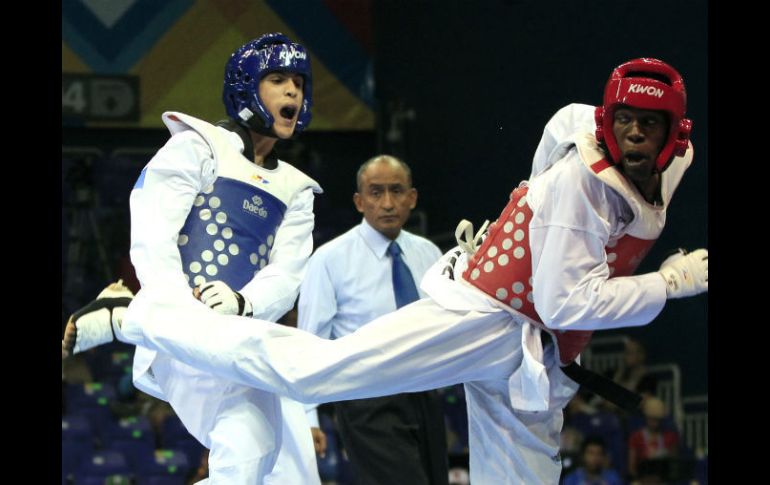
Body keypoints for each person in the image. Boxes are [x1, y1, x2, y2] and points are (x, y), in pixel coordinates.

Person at [83, 57, 708, 483]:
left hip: (533, 352)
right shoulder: (584, 188)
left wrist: (531, 185)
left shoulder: (664, 160)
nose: (631, 135)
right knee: (308, 372)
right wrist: (669, 283)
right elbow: (570, 301)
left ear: (673, 132)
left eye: (646, 124)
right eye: (622, 119)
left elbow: (562, 121)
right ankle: (139, 317)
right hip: (487, 315)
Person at [63, 33, 323, 484]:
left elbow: (287, 275)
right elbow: (152, 234)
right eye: (277, 79)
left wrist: (242, 303)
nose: (292, 92)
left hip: (246, 335)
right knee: (249, 450)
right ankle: (131, 315)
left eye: (298, 82)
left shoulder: (297, 190)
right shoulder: (197, 145)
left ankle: (125, 316)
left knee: (292, 475)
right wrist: (177, 311)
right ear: (245, 87)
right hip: (188, 334)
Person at [298, 155, 448, 484]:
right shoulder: (329, 259)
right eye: (376, 193)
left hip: (425, 394)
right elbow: (309, 342)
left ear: (413, 198)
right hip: (366, 398)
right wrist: (307, 417)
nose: (388, 203)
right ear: (359, 201)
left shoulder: (430, 255)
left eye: (396, 191)